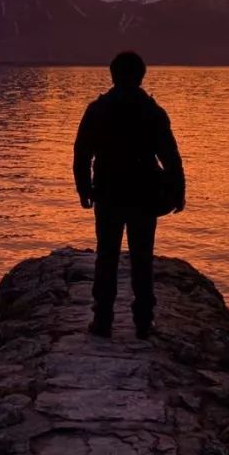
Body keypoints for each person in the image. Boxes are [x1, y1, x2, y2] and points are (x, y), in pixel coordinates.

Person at [73, 51, 185, 340]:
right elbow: (170, 157)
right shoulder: (152, 112)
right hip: (143, 194)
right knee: (142, 258)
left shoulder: (97, 110)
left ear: (113, 75)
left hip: (109, 193)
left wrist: (84, 189)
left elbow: (82, 154)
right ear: (141, 76)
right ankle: (144, 323)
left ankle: (102, 321)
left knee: (106, 256)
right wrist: (177, 191)